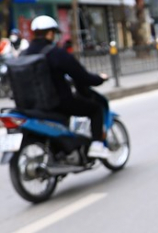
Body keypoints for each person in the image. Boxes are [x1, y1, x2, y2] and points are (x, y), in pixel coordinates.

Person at [26, 15, 111, 159]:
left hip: (31, 106)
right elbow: (82, 76)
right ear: (50, 33)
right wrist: (99, 78)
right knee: (96, 109)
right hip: (58, 104)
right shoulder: (55, 53)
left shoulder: (24, 54)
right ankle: (97, 145)